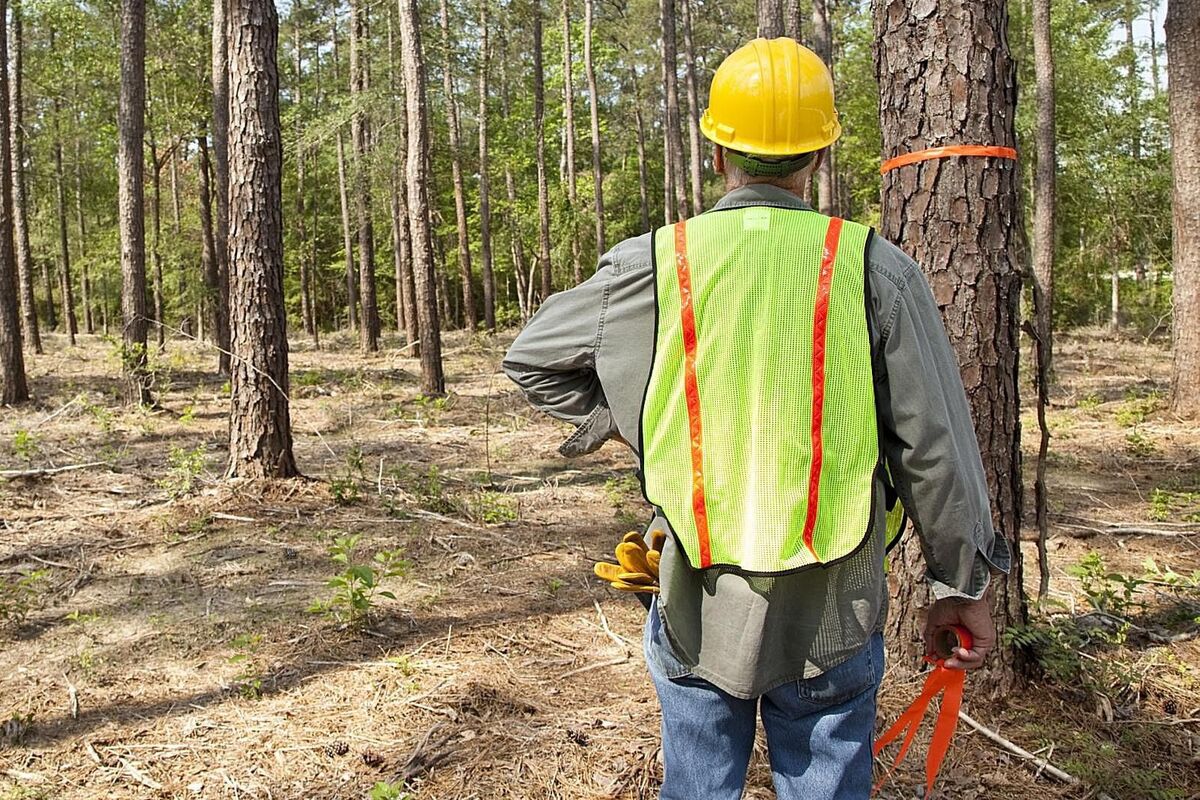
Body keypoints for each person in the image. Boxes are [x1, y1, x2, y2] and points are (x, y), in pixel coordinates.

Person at [503, 37, 1009, 800]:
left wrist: (637, 422)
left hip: (694, 598)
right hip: (836, 605)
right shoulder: (873, 266)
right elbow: (933, 447)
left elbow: (533, 355)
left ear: (716, 152)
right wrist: (962, 582)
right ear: (817, 157)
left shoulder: (656, 263)